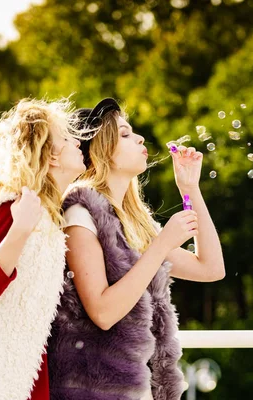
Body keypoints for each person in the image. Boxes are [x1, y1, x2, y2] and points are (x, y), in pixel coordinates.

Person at [48, 98, 225, 400]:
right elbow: (103, 313)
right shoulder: (80, 215)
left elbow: (211, 269)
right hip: (96, 391)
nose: (140, 138)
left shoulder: (132, 224)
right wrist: (162, 245)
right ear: (102, 149)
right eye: (126, 133)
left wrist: (190, 189)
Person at [0, 98, 86, 400]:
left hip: (22, 381)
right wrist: (19, 230)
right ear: (52, 155)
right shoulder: (12, 207)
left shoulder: (46, 219)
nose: (78, 143)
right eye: (68, 138)